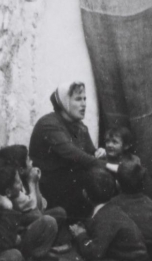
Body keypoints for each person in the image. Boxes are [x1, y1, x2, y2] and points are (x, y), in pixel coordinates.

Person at [29, 81, 116, 222]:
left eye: (84, 99)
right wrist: (112, 167)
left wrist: (99, 152)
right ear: (64, 102)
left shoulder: (79, 126)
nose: (84, 104)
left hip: (69, 183)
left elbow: (90, 153)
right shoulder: (49, 125)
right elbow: (75, 155)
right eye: (78, 99)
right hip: (50, 187)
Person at [70, 167, 148, 261]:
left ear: (85, 194)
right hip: (127, 260)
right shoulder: (107, 209)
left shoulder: (106, 217)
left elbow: (95, 253)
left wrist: (80, 236)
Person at [107, 160, 152, 258]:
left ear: (117, 183)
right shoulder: (149, 202)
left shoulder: (112, 204)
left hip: (124, 254)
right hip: (147, 254)